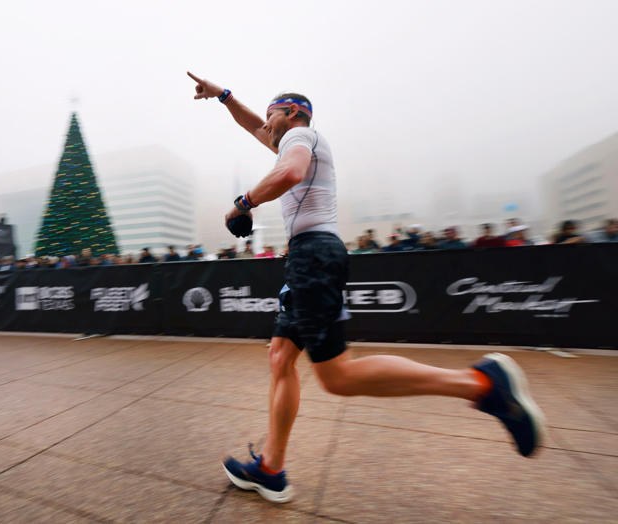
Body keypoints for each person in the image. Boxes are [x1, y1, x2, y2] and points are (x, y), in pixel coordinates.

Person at [188, 72, 545, 504]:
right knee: (281, 356)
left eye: (271, 115)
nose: (265, 125)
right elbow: (256, 130)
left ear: (294, 113)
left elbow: (292, 172)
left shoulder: (302, 138)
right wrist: (224, 96)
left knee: (337, 377)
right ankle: (271, 468)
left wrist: (244, 203)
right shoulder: (288, 138)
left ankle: (482, 384)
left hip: (313, 256)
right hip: (307, 256)